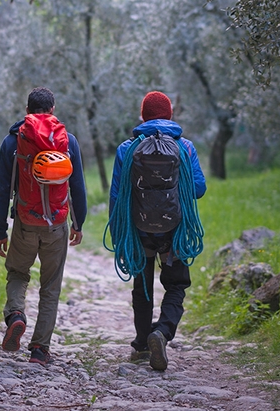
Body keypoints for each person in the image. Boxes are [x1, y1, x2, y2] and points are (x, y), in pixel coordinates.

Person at [109, 90, 206, 371]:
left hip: (138, 229)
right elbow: (199, 189)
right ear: (170, 115)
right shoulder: (185, 147)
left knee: (142, 286)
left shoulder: (127, 149)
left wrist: (118, 235)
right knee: (176, 284)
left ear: (143, 116)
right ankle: (161, 332)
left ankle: (141, 341)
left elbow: (117, 197)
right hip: (175, 230)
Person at [0, 87, 87, 366]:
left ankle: (16, 315)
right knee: (51, 287)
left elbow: (1, 190)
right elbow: (77, 186)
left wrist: (0, 229)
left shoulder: (12, 142)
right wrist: (78, 223)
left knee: (18, 273)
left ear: (27, 110)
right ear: (52, 110)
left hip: (25, 222)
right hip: (56, 224)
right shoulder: (68, 141)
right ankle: (40, 350)